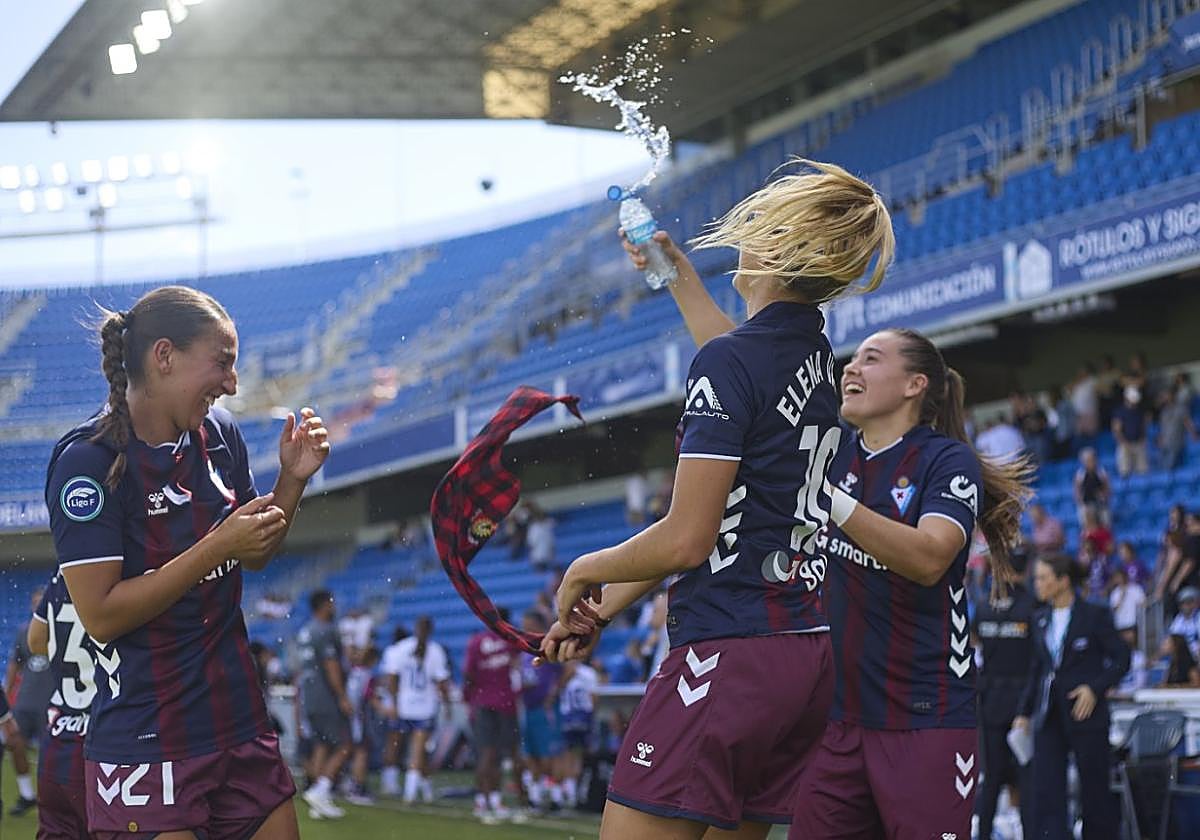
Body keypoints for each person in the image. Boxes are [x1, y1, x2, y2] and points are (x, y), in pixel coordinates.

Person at [543, 158, 896, 839]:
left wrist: (583, 570)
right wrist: (605, 608)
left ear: (775, 248)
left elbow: (688, 538)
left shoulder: (735, 364)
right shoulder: (820, 367)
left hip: (729, 652)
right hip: (803, 657)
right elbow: (737, 366)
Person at [46, 285, 329, 840]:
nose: (232, 383)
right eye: (222, 362)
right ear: (165, 357)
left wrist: (291, 482)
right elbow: (102, 614)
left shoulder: (221, 436)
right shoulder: (88, 462)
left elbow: (255, 552)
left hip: (239, 723)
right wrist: (216, 547)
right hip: (147, 741)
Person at [786, 328, 1032, 840]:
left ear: (914, 385)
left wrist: (830, 499)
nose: (850, 368)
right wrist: (678, 275)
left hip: (927, 716)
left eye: (870, 360)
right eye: (850, 360)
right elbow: (751, 368)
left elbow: (929, 558)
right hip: (837, 720)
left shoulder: (946, 460)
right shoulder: (833, 455)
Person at [1013, 554, 1130, 840]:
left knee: (1094, 790)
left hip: (1086, 713)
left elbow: (1121, 658)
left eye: (1043, 577)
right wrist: (1023, 712)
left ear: (1063, 581)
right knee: (1048, 789)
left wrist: (1095, 687)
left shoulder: (1095, 615)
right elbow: (1037, 669)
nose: (1036, 583)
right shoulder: (1039, 618)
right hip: (1049, 714)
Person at [28, 570, 105, 840]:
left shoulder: (64, 571)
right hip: (106, 738)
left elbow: (36, 640)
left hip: (59, 737)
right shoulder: (122, 564)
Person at [972, 554, 1037, 840]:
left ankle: (983, 834)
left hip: (989, 703)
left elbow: (974, 641)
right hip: (1025, 703)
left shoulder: (985, 605)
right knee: (1027, 777)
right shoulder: (1032, 605)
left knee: (992, 779)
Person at [295, 589, 353, 820]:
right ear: (323, 605)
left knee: (321, 744)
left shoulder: (306, 630)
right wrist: (342, 696)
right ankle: (321, 790)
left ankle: (317, 798)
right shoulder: (326, 630)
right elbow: (331, 666)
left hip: (310, 695)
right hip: (325, 695)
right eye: (332, 601)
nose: (334, 605)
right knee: (345, 744)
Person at [381, 615, 451, 804]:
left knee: (395, 746)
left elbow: (392, 679)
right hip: (424, 707)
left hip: (403, 705)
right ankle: (411, 792)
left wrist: (394, 703)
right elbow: (442, 683)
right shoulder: (436, 651)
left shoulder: (400, 648)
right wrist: (448, 705)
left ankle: (392, 784)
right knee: (418, 751)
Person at [463, 609, 522, 824]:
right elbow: (518, 670)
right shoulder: (511, 640)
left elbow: (468, 674)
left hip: (483, 703)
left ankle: (483, 801)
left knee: (486, 754)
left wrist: (469, 699)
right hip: (506, 704)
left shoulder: (476, 642)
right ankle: (495, 800)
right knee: (501, 755)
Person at [5, 585, 54, 817]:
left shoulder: (61, 629)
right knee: (14, 743)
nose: (38, 606)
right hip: (25, 702)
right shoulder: (24, 632)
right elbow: (15, 664)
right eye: (35, 602)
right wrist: (7, 693)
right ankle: (27, 795)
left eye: (41, 601)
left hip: (52, 702)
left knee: (51, 756)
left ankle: (51, 802)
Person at [518, 611, 565, 811]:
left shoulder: (548, 647)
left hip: (544, 709)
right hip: (528, 708)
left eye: (528, 623)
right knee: (531, 753)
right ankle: (535, 798)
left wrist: (553, 694)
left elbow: (567, 670)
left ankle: (556, 797)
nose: (525, 628)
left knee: (548, 755)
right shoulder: (523, 651)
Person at [556, 657, 599, 809]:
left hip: (579, 717)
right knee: (566, 755)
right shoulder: (564, 671)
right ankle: (567, 793)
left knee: (576, 756)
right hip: (569, 717)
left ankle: (572, 793)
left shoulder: (588, 673)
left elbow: (593, 698)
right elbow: (557, 690)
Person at [1112, 385, 1150, 477]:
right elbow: (1116, 429)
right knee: (1125, 470)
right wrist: (1123, 442)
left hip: (1138, 443)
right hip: (1125, 444)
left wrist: (1143, 439)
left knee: (1142, 470)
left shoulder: (1139, 411)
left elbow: (1143, 425)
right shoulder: (1120, 412)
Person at [1073, 447, 1110, 527]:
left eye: (1091, 460)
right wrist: (1081, 502)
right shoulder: (1080, 474)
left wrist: (1103, 496)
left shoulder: (1102, 472)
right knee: (1083, 514)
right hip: (1086, 504)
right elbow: (1077, 491)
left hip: (1100, 503)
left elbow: (1107, 489)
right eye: (1087, 461)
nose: (1090, 462)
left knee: (1105, 518)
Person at [1107, 565, 1145, 635]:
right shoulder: (1114, 593)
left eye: (1120, 577)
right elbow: (1114, 608)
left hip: (1133, 622)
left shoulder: (1136, 588)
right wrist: (1122, 596)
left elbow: (1143, 603)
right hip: (1120, 623)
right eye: (1116, 577)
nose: (1119, 579)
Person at [1167, 586, 1200, 659]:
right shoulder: (1179, 618)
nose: (1185, 606)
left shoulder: (1198, 616)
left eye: (1188, 602)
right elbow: (1172, 637)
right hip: (1184, 655)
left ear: (1194, 603)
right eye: (1182, 603)